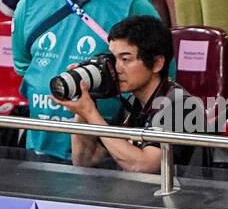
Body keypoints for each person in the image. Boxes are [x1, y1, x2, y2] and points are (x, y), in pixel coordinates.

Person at [11, 0, 159, 162]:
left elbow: (158, 73)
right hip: (40, 148)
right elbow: (24, 64)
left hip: (108, 154)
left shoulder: (130, 1)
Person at [54, 15, 204, 173]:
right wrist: (83, 105)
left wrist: (91, 114)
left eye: (125, 59)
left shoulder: (182, 107)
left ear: (157, 63)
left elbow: (144, 166)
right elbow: (86, 160)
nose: (116, 68)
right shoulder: (133, 103)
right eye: (113, 59)